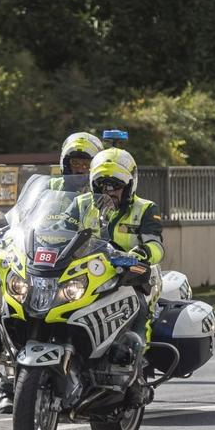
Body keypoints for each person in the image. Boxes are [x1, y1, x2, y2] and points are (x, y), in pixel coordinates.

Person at [0, 132, 105, 413]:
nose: (80, 169)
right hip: (42, 258)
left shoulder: (101, 193)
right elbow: (23, 218)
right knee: (11, 305)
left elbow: (104, 230)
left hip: (77, 260)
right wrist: (4, 237)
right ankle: (10, 381)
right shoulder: (49, 188)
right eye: (75, 163)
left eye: (86, 163)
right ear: (64, 163)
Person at [74, 148, 164, 366]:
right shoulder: (81, 204)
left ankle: (135, 360)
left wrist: (142, 253)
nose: (109, 191)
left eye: (116, 185)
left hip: (133, 274)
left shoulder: (146, 209)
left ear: (130, 185)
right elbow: (59, 230)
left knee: (138, 305)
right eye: (103, 185)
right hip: (90, 272)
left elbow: (157, 245)